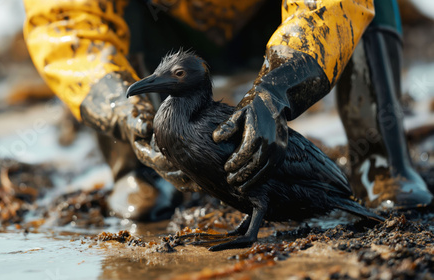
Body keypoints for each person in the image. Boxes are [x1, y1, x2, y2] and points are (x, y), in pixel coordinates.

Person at [22, 0, 432, 219]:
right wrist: (122, 113)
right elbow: (65, 23)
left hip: (272, 19)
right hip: (164, 25)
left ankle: (379, 158)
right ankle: (137, 167)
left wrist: (279, 87)